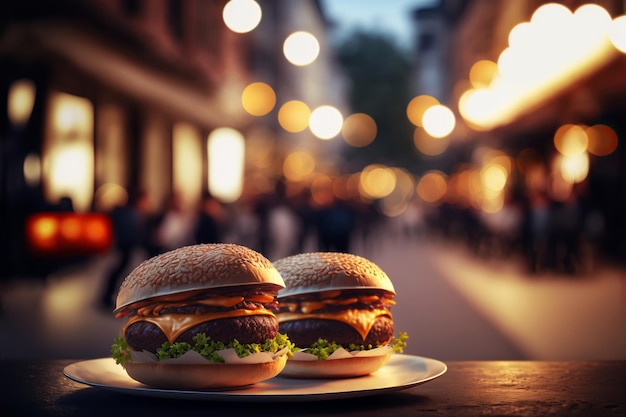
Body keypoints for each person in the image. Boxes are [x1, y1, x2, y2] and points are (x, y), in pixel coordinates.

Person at [99, 193, 146, 309]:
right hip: (125, 246)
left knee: (121, 269)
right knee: (120, 270)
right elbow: (129, 233)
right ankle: (108, 297)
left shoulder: (127, 213)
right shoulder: (129, 215)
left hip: (125, 246)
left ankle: (110, 296)